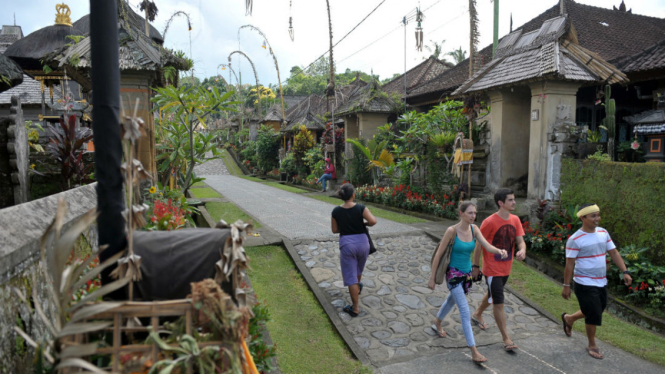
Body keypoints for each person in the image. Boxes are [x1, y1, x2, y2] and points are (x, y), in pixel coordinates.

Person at [428, 201, 508, 364]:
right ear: (461, 213)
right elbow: (438, 255)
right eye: (470, 213)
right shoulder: (451, 231)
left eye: (475, 213)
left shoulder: (474, 229)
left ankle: (437, 322)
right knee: (465, 311)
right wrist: (432, 277)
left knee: (452, 300)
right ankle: (474, 351)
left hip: (466, 276)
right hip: (453, 275)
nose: (473, 216)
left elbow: (486, 245)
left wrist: (498, 251)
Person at [561, 204, 632, 359]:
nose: (597, 219)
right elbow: (569, 264)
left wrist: (624, 271)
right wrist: (566, 285)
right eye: (593, 216)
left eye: (598, 215)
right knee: (593, 313)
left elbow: (613, 252)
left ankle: (569, 318)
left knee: (596, 309)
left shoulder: (603, 233)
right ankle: (592, 344)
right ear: (583, 218)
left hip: (601, 281)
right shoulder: (575, 239)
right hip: (584, 282)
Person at [471, 188, 526, 352]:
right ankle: (506, 338)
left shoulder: (515, 220)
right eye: (510, 200)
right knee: (498, 302)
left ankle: (476, 314)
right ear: (501, 203)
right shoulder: (489, 221)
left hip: (506, 268)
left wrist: (522, 250)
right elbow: (479, 244)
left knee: (493, 294)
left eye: (514, 199)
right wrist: (476, 266)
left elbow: (520, 241)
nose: (514, 202)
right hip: (492, 269)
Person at [331, 183, 377, 317]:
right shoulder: (361, 208)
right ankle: (357, 286)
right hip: (363, 243)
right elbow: (373, 221)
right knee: (358, 270)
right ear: (353, 195)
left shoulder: (336, 211)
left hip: (347, 244)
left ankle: (355, 308)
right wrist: (363, 223)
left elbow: (334, 230)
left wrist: (345, 227)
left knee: (351, 276)